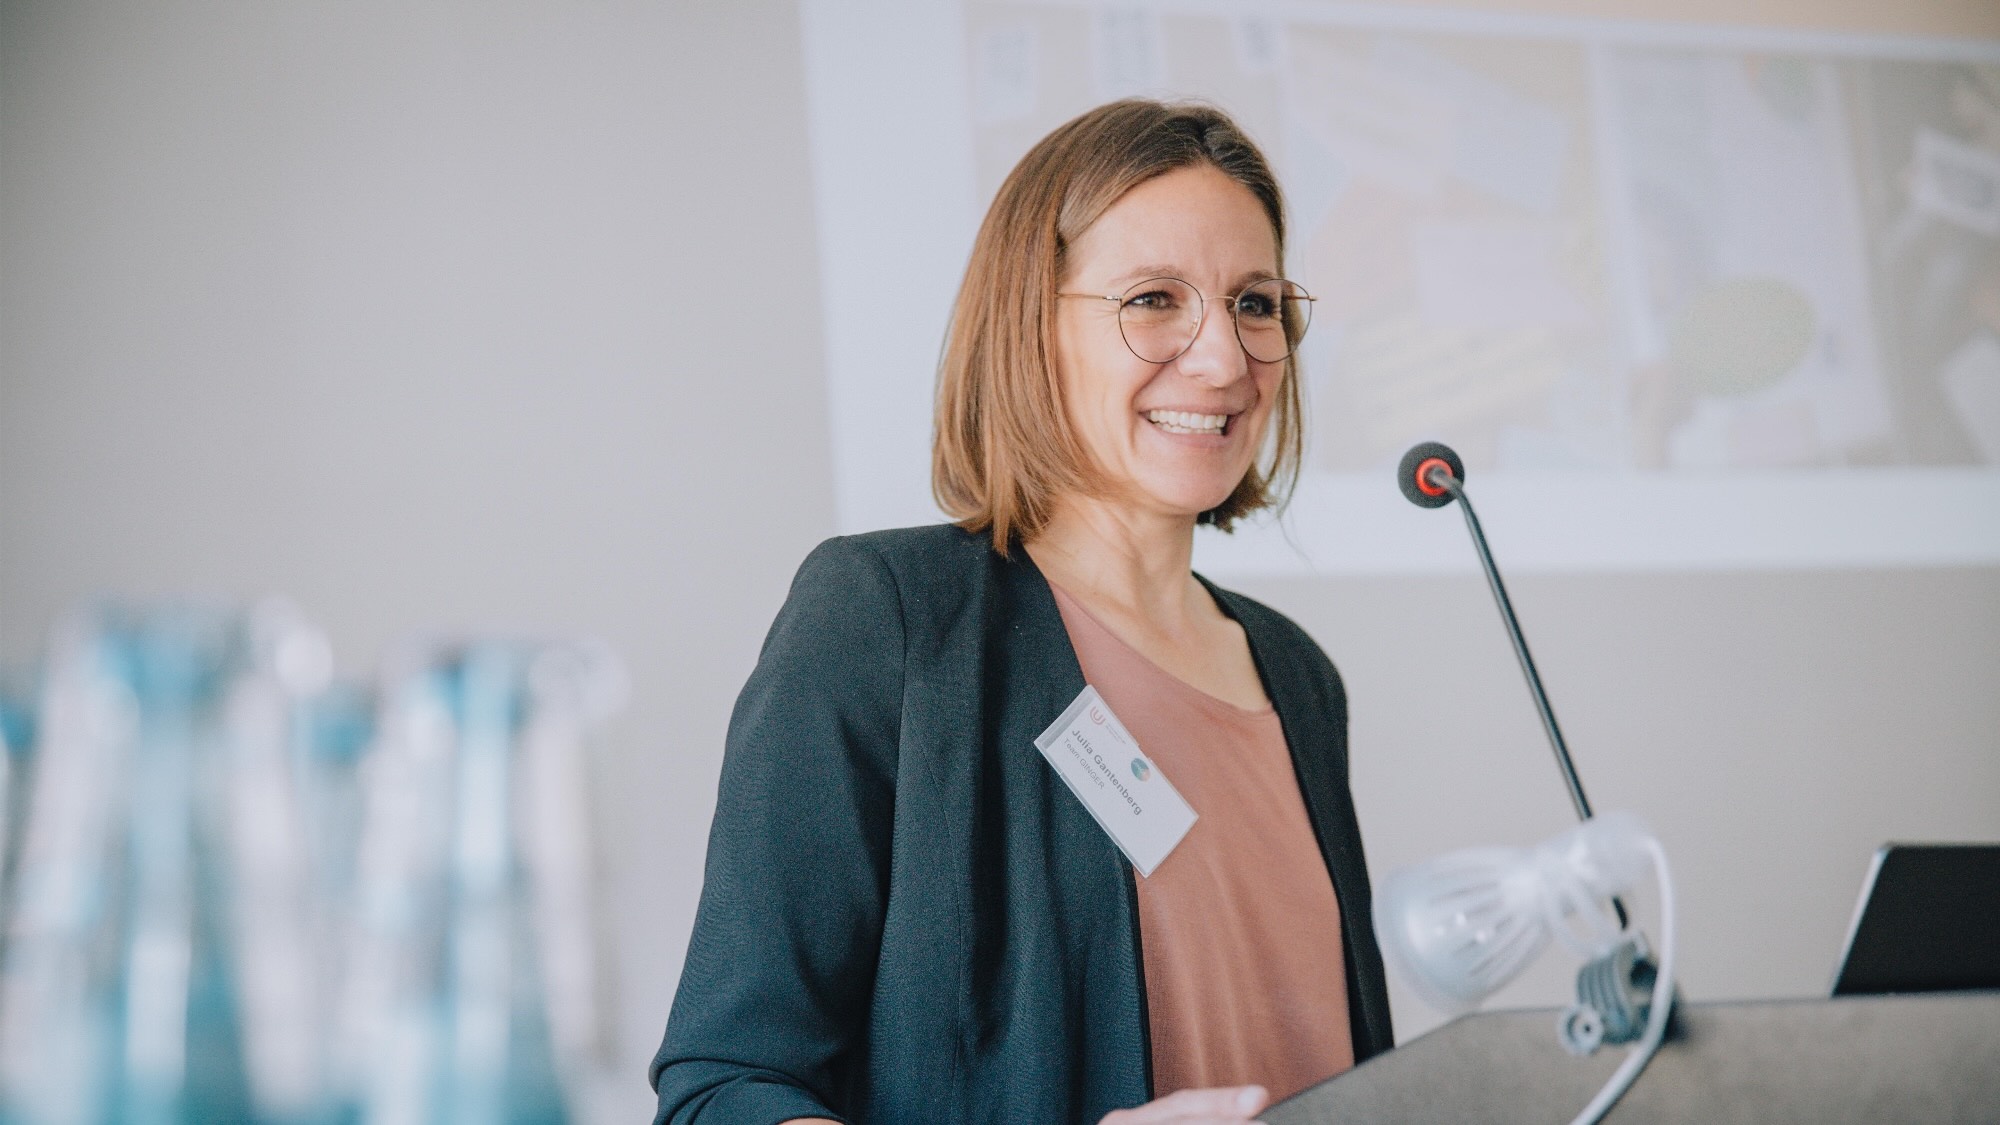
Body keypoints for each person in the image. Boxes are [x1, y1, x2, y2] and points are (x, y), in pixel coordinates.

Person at [651, 99, 1393, 1125]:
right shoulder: (887, 623)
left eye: (1255, 304)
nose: (1224, 360)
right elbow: (724, 1091)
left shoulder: (1295, 676)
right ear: (1027, 323)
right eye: (1152, 299)